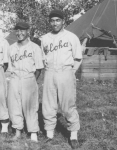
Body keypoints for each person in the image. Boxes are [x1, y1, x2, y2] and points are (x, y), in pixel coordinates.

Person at [41, 9, 82, 149]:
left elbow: (78, 58)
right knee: (48, 103)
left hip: (66, 71)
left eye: (58, 20)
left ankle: (74, 136)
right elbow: (43, 57)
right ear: (49, 22)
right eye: (52, 20)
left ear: (63, 21)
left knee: (68, 105)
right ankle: (49, 134)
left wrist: (71, 72)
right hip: (50, 72)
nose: (55, 23)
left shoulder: (71, 37)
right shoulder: (45, 38)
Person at [7, 21, 44, 142]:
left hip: (28, 77)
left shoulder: (35, 47)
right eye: (17, 30)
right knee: (14, 105)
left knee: (30, 106)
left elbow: (38, 68)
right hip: (15, 77)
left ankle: (33, 132)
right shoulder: (11, 48)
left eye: (22, 30)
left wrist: (32, 80)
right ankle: (18, 131)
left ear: (28, 31)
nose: (19, 33)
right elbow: (10, 66)